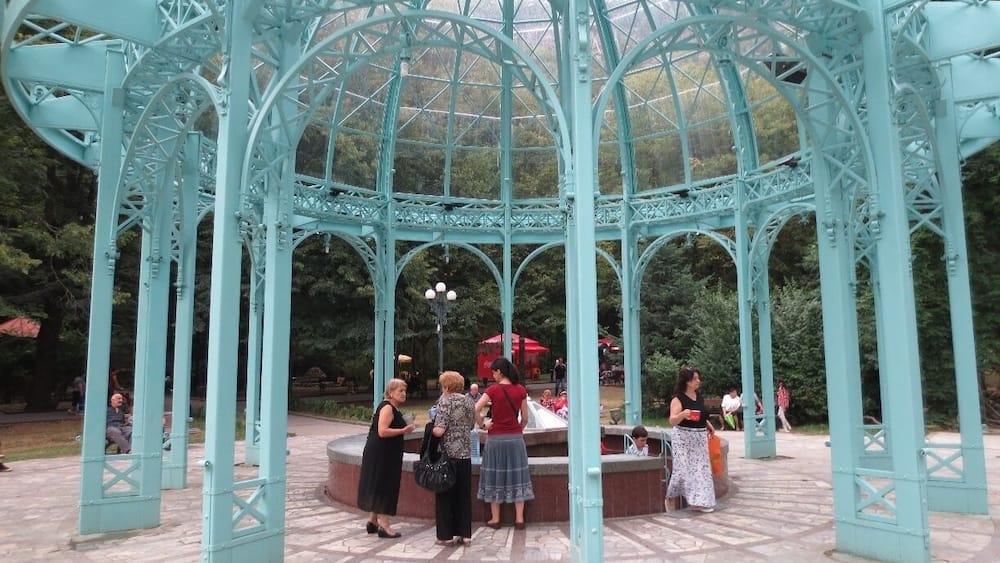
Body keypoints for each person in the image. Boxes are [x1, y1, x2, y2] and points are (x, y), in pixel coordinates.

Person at [475, 357, 533, 530]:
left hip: (496, 440)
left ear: (499, 371)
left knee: (495, 476)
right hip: (516, 439)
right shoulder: (521, 390)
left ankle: (495, 518)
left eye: (493, 371)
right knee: (518, 476)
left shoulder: (493, 390)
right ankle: (520, 519)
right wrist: (517, 429)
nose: (493, 375)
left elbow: (474, 408)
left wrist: (482, 424)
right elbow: (525, 418)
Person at [357, 378, 416, 539]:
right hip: (382, 453)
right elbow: (382, 431)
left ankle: (373, 520)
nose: (404, 394)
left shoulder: (391, 407)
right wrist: (404, 429)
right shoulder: (388, 408)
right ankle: (385, 525)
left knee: (380, 484)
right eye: (400, 391)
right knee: (384, 485)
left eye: (404, 390)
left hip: (384, 452)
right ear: (390, 393)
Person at [431, 371, 476, 546]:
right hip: (465, 455)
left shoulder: (445, 401)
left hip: (447, 456)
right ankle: (465, 535)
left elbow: (439, 429)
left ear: (447, 386)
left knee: (445, 496)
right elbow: (471, 425)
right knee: (463, 496)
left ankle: (445, 535)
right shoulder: (469, 401)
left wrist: (431, 428)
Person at [666, 366, 716, 513]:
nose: (698, 381)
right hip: (682, 436)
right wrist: (683, 414)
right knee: (683, 470)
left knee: (701, 469)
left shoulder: (699, 397)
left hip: (699, 437)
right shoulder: (678, 398)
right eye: (695, 379)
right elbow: (672, 420)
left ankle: (699, 501)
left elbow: (701, 414)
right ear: (687, 381)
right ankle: (672, 496)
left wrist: (707, 425)